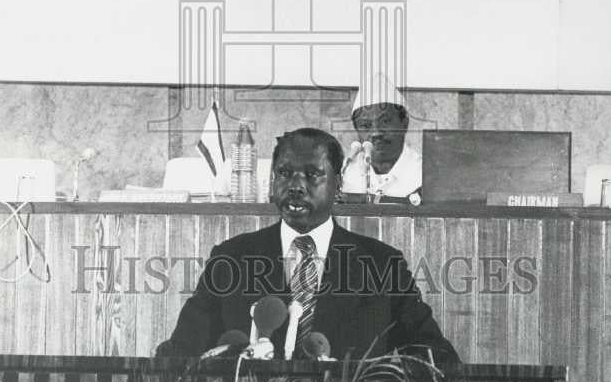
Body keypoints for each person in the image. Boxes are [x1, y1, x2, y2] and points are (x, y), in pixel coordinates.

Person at [157, 127, 455, 361]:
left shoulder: (381, 264)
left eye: (313, 175)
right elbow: (180, 352)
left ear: (338, 186)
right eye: (285, 174)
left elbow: (433, 355)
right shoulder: (231, 259)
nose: (296, 186)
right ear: (272, 182)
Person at [350, 98, 422, 201]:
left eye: (385, 121)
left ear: (404, 123)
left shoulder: (426, 175)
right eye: (365, 125)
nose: (376, 133)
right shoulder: (346, 175)